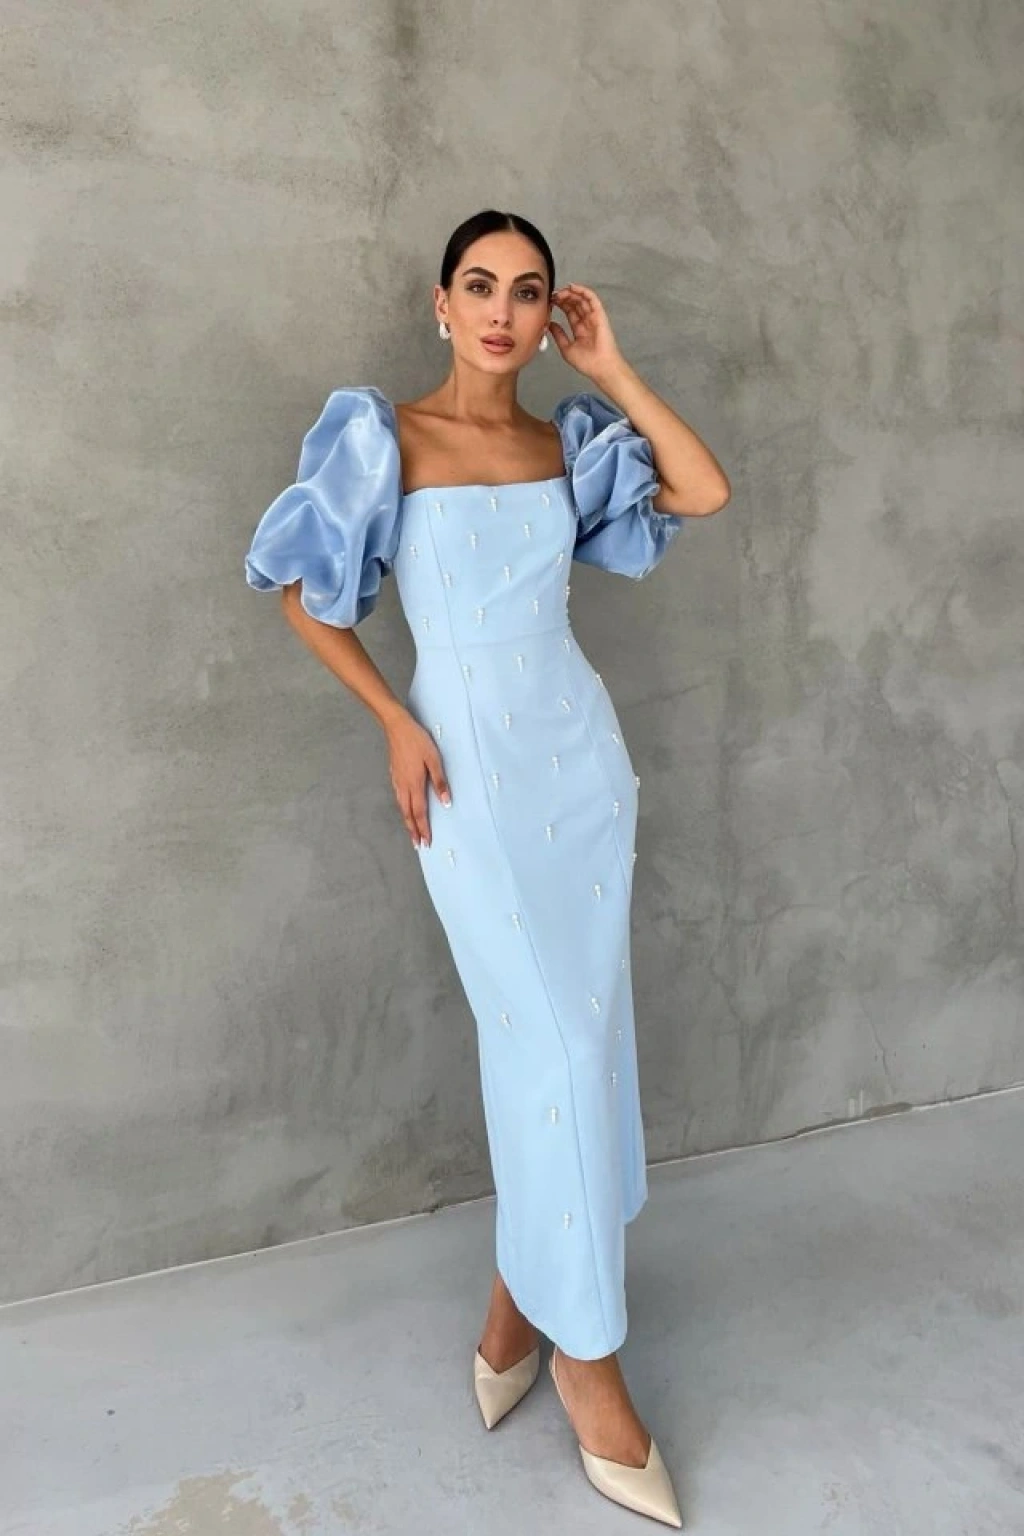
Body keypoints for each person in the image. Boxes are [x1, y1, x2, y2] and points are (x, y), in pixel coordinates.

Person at [243, 208, 730, 1527]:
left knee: (582, 1040)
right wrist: (393, 720)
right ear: (441, 303)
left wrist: (612, 369)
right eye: (481, 285)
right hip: (466, 777)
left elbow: (701, 492)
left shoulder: (565, 444)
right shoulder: (385, 438)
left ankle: (524, 1304)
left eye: (528, 291)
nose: (504, 311)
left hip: (582, 770)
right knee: (551, 1046)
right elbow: (300, 593)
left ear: (549, 314)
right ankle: (589, 1356)